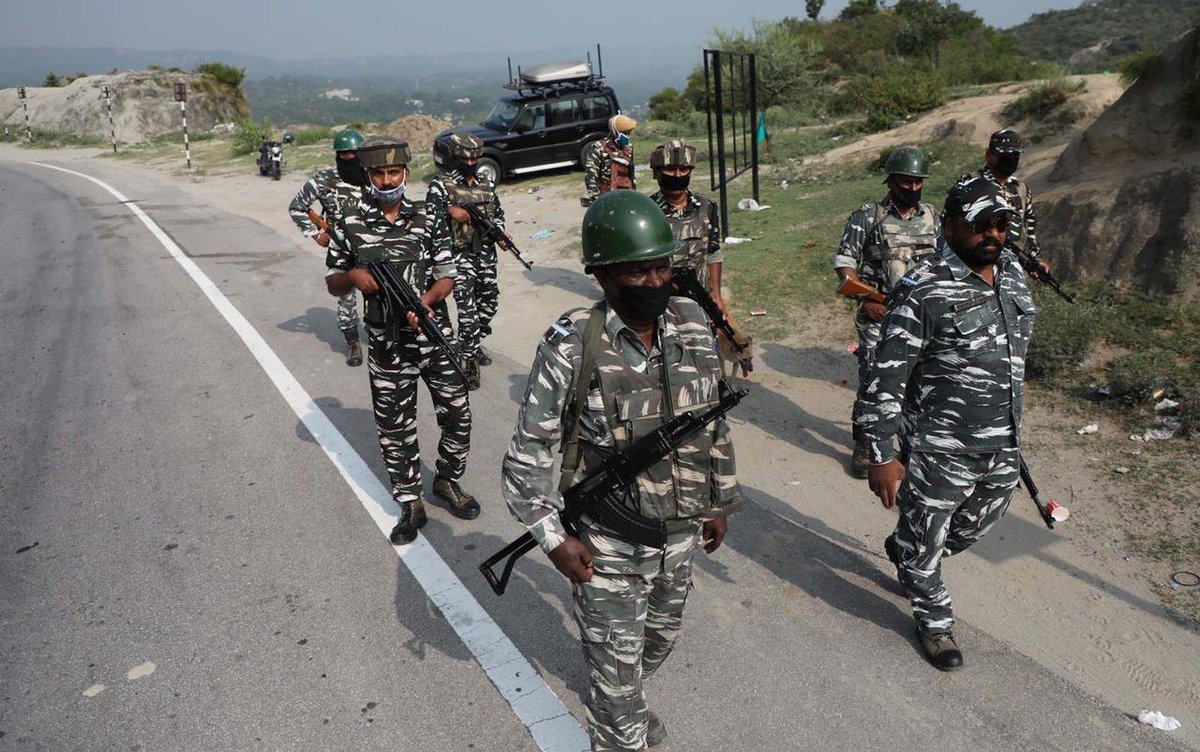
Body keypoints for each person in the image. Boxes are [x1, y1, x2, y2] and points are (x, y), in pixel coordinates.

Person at [501, 190, 743, 750]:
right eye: (640, 272)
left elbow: (712, 422)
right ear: (603, 277)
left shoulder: (690, 324)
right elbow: (526, 457)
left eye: (663, 266)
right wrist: (554, 539)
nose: (657, 281)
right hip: (608, 541)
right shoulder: (572, 344)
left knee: (657, 643)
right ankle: (619, 723)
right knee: (616, 677)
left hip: (679, 533)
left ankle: (624, 703)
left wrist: (720, 501)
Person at [855, 176, 1037, 672]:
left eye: (1001, 225)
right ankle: (935, 624)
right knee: (926, 541)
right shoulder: (923, 287)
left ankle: (907, 547)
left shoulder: (1013, 274)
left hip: (1003, 441)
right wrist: (881, 454)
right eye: (982, 225)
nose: (993, 235)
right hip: (939, 445)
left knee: (976, 523)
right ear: (952, 224)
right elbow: (885, 376)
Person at [324, 137, 479, 544]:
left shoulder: (428, 217)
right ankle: (410, 501)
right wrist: (353, 278)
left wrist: (427, 302)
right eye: (379, 173)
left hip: (433, 335)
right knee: (395, 427)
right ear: (368, 175)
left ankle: (447, 480)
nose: (388, 179)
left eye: (394, 172)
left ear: (406, 173)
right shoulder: (350, 220)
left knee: (458, 414)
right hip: (387, 346)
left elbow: (447, 274)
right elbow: (332, 281)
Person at [833, 145, 941, 479]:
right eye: (905, 181)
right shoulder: (868, 216)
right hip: (879, 315)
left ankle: (909, 446)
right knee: (875, 383)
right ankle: (866, 444)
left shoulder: (934, 218)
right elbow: (845, 263)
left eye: (917, 181)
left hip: (921, 319)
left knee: (917, 385)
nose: (912, 187)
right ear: (890, 182)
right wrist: (865, 298)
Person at [425, 132, 507, 390]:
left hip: (484, 254)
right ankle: (468, 359)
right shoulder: (441, 185)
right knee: (468, 312)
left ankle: (473, 341)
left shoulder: (486, 183)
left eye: (474, 158)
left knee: (489, 304)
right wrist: (450, 210)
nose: (470, 162)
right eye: (464, 158)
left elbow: (498, 214)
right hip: (457, 256)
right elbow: (430, 221)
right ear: (454, 157)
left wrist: (501, 233)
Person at [288, 128, 367, 366]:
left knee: (379, 291)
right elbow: (296, 207)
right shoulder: (323, 180)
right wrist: (314, 234)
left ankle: (380, 333)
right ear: (338, 155)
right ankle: (352, 342)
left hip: (371, 245)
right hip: (341, 247)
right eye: (345, 154)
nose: (350, 158)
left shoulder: (372, 176)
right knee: (345, 296)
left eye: (355, 153)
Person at [973, 129, 1048, 272]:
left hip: (1011, 269)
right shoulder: (971, 185)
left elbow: (1028, 227)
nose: (1010, 159)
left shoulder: (1021, 189)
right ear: (989, 155)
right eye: (1004, 155)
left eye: (1015, 155)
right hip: (978, 267)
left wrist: (1034, 260)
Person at [583, 114, 637, 203]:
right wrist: (595, 198)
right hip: (606, 197)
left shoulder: (629, 148)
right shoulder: (599, 148)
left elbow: (631, 174)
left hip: (627, 195)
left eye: (629, 132)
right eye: (625, 133)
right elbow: (591, 174)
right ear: (615, 132)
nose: (628, 136)